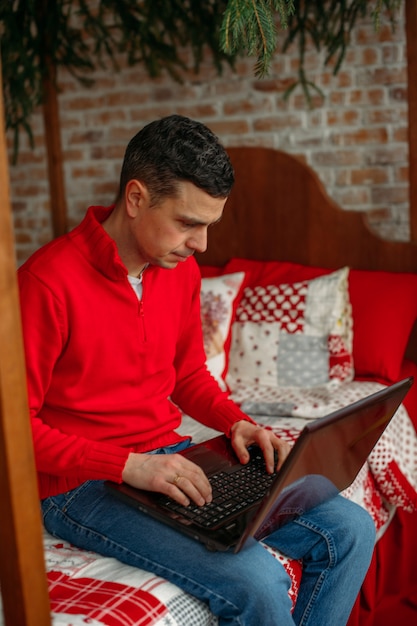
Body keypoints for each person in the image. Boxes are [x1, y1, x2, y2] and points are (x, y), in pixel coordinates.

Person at [18, 114, 375, 625]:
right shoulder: (45, 283)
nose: (201, 245)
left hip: (170, 457)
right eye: (188, 223)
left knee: (349, 529)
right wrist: (129, 466)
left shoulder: (178, 269)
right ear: (137, 198)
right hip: (80, 486)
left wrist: (235, 421)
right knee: (257, 580)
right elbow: (16, 431)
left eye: (209, 225)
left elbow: (186, 374)